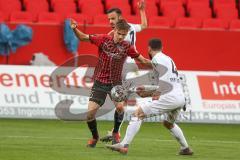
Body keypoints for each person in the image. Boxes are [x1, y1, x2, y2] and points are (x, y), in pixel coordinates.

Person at [70, 18, 151, 148]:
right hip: (100, 82)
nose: (121, 37)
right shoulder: (103, 39)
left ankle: (115, 133)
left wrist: (159, 65)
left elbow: (143, 60)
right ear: (114, 30)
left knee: (120, 107)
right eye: (119, 33)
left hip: (116, 83)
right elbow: (83, 37)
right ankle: (95, 137)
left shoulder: (127, 47)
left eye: (124, 35)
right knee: (90, 114)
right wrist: (74, 28)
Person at [106, 38, 194, 155]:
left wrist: (154, 93)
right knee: (168, 123)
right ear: (162, 48)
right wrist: (147, 90)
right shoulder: (167, 59)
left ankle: (124, 145)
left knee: (137, 114)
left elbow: (163, 84)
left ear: (149, 48)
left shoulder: (157, 59)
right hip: (179, 97)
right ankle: (185, 148)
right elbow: (168, 82)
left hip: (170, 97)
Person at [100, 0, 148, 144]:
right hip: (130, 69)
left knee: (122, 104)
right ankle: (116, 132)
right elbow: (144, 25)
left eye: (113, 18)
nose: (110, 21)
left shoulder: (117, 33)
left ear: (120, 18)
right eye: (108, 19)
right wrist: (142, 11)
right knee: (122, 104)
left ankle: (116, 133)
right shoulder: (131, 27)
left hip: (125, 69)